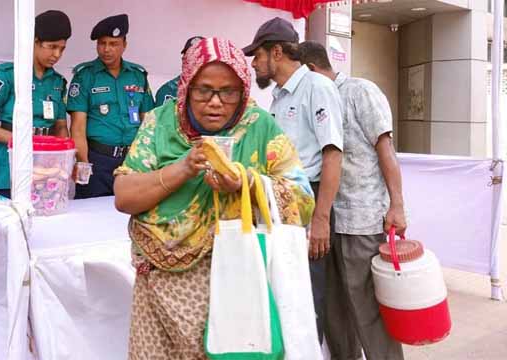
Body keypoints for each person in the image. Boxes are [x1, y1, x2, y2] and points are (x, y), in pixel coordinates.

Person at [114, 37, 315, 359]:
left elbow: (303, 200)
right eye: (204, 90)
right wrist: (183, 168)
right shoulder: (160, 124)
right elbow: (124, 197)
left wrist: (245, 183)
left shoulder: (258, 127)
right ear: (186, 87)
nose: (216, 102)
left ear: (243, 91)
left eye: (229, 92)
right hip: (157, 284)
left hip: (230, 276)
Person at [299, 40, 407, 360]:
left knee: (367, 311)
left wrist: (397, 205)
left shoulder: (360, 92)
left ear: (312, 71)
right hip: (326, 222)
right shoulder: (313, 101)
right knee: (334, 312)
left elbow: (385, 149)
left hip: (361, 220)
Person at [243, 17, 344, 344]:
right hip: (282, 201)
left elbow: (333, 155)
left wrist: (320, 219)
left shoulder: (317, 87)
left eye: (257, 56)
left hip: (311, 199)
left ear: (276, 52)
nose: (254, 63)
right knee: (287, 291)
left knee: (308, 295)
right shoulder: (279, 96)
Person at [0, 10, 71, 199]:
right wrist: (22, 142)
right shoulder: (10, 75)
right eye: (52, 47)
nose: (57, 54)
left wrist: (62, 163)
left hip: (44, 171)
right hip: (8, 168)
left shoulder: (58, 82)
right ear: (34, 41)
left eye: (62, 48)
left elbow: (60, 127)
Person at [67, 14, 155, 199]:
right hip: (97, 160)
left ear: (124, 44)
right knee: (92, 215)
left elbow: (148, 121)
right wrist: (83, 163)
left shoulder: (138, 75)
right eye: (102, 43)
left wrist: (145, 158)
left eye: (113, 44)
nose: (107, 49)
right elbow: (78, 126)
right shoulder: (85, 76)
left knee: (130, 214)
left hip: (132, 159)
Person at [154, 35, 204, 107]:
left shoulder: (220, 90)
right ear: (183, 59)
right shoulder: (167, 91)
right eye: (190, 56)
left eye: (199, 56)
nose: (195, 61)